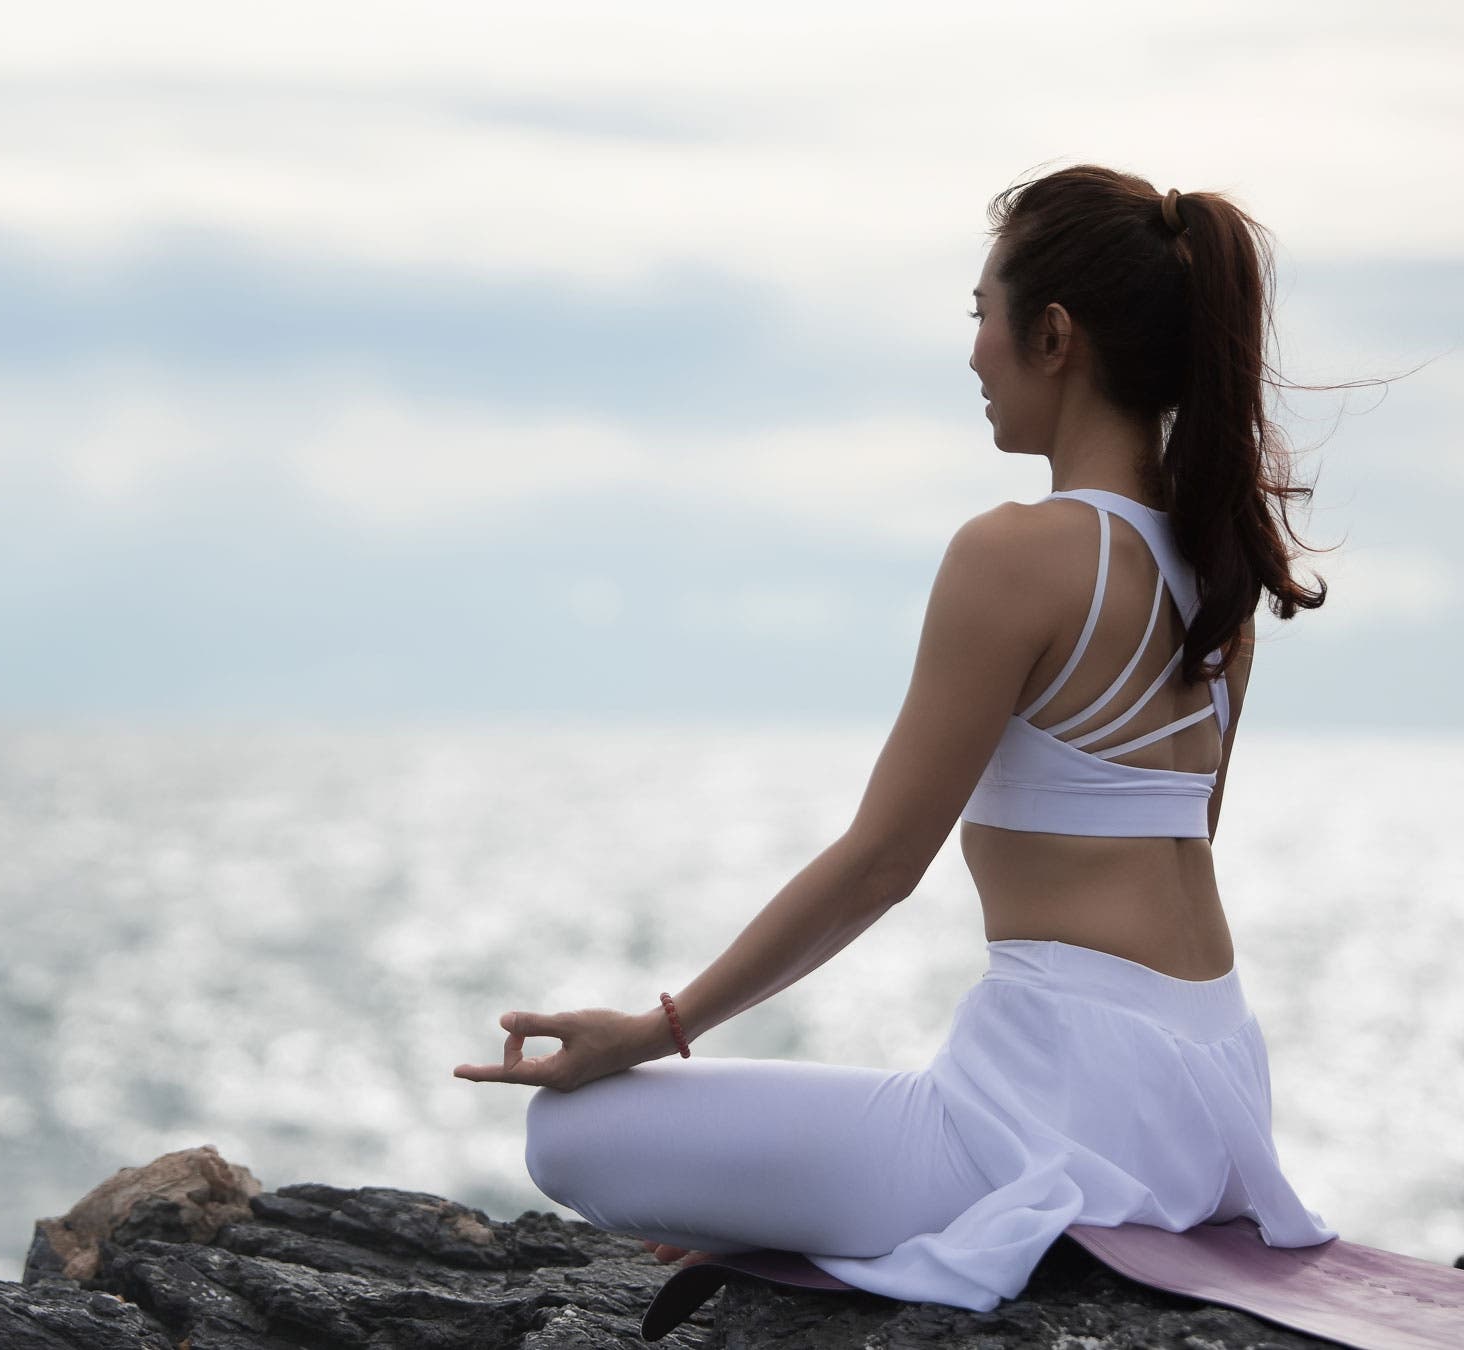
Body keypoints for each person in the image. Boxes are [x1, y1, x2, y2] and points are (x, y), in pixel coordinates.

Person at [451, 164, 1341, 1313]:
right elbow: (1183, 849)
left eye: (983, 315)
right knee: (866, 1119)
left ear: (1054, 334)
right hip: (1214, 1114)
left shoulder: (1016, 552)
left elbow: (883, 863)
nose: (974, 351)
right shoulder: (1214, 570)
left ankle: (931, 1223)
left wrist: (654, 1030)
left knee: (570, 1134)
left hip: (1055, 1120)